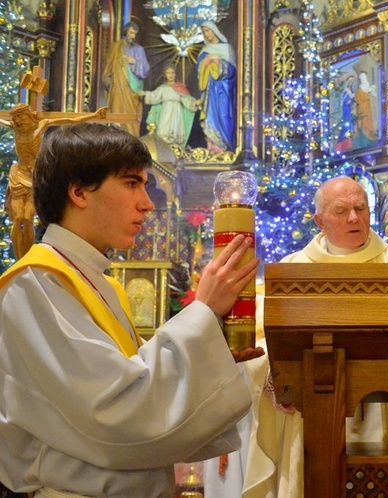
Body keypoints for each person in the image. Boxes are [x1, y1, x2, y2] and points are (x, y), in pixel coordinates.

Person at [0, 123, 265, 497]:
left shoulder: (99, 283)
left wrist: (212, 355)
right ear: (78, 192)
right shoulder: (37, 283)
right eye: (130, 183)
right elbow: (115, 412)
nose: (148, 201)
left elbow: (138, 381)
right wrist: (202, 310)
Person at [242, 176, 388, 497]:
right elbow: (263, 339)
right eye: (341, 210)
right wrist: (281, 377)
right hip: (314, 406)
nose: (354, 217)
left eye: (360, 208)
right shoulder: (293, 269)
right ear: (320, 221)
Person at [0, 103, 107, 259]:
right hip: (18, 174)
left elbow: (68, 121)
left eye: (21, 117)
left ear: (28, 115)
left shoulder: (41, 125)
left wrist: (94, 116)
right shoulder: (16, 128)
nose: (19, 121)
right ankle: (18, 257)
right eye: (16, 119)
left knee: (28, 217)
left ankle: (27, 256)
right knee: (17, 218)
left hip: (34, 175)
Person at [102, 22, 150, 136]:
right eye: (131, 33)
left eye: (135, 34)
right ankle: (117, 137)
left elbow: (145, 71)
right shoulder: (115, 47)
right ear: (125, 32)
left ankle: (132, 138)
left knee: (132, 118)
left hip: (132, 90)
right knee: (116, 114)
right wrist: (107, 79)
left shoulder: (139, 50)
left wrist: (134, 62)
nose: (133, 36)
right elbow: (108, 66)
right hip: (117, 87)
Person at [197, 21, 237, 153]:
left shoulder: (227, 48)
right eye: (204, 32)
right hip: (210, 92)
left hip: (224, 89)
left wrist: (217, 61)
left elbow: (232, 71)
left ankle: (225, 147)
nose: (206, 34)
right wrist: (206, 61)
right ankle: (212, 147)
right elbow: (199, 72)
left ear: (214, 30)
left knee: (224, 115)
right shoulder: (204, 51)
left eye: (208, 30)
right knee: (210, 118)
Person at [139, 64, 200, 147]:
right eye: (168, 73)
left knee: (176, 130)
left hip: (177, 112)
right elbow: (154, 96)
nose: (170, 75)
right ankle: (163, 147)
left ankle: (175, 148)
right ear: (165, 74)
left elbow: (187, 100)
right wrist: (145, 93)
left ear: (175, 74)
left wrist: (195, 103)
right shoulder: (163, 88)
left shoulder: (181, 88)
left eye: (172, 72)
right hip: (166, 111)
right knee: (163, 129)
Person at [353, 71, 377, 146]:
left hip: (367, 107)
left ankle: (370, 134)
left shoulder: (366, 85)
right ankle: (364, 138)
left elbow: (374, 94)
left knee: (369, 119)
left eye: (365, 77)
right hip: (362, 108)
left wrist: (373, 89)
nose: (364, 78)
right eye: (363, 77)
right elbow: (358, 98)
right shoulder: (359, 89)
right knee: (364, 120)